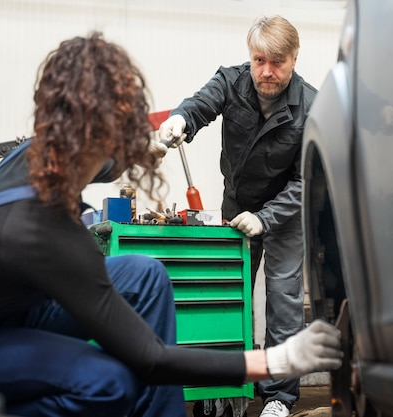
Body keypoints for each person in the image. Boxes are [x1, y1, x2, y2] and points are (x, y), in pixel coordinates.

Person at [0, 32, 343, 417]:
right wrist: (271, 361)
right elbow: (151, 358)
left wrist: (156, 138)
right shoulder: (41, 228)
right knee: (109, 380)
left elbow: (107, 165)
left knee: (145, 274)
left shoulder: (46, 151)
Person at [158, 15, 316, 417]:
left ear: (294, 59)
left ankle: (279, 397)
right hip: (237, 205)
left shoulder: (312, 107)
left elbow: (308, 180)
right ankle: (225, 385)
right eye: (259, 60)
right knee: (230, 294)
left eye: (277, 62)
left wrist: (267, 217)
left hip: (285, 211)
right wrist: (180, 119)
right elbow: (200, 104)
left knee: (282, 300)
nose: (266, 71)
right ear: (251, 57)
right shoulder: (231, 82)